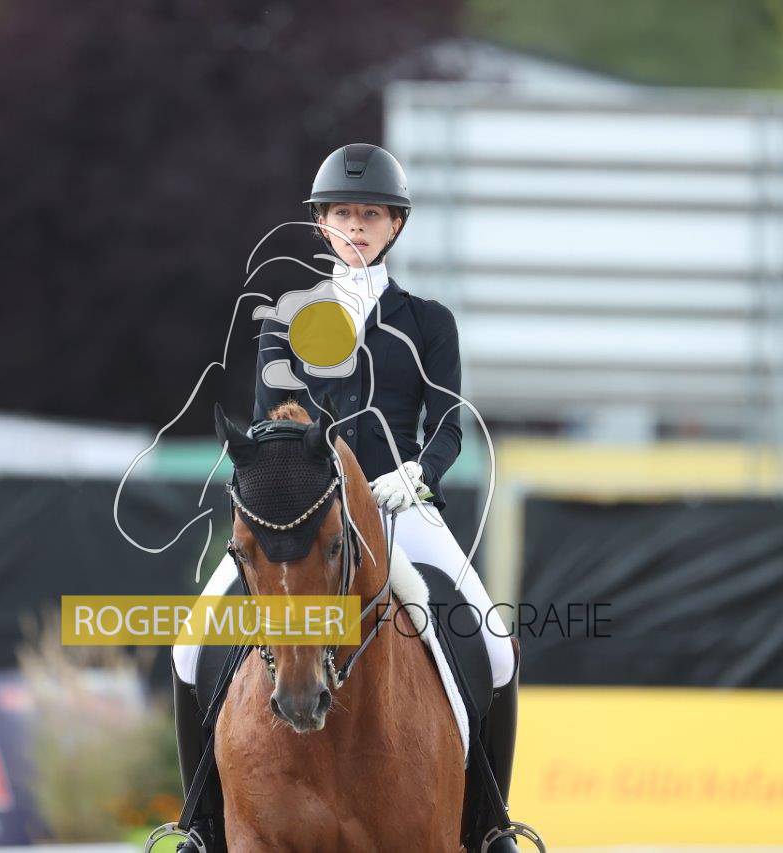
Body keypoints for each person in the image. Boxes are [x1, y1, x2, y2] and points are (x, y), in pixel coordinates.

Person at [169, 143, 524, 852]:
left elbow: (449, 423)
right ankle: (199, 827)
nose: (356, 225)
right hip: (305, 514)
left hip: (399, 509)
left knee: (494, 642)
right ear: (321, 223)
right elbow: (271, 423)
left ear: (395, 225)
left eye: (370, 213)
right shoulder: (285, 320)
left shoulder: (428, 321)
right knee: (187, 645)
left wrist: (418, 473)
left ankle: (491, 825)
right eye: (342, 213)